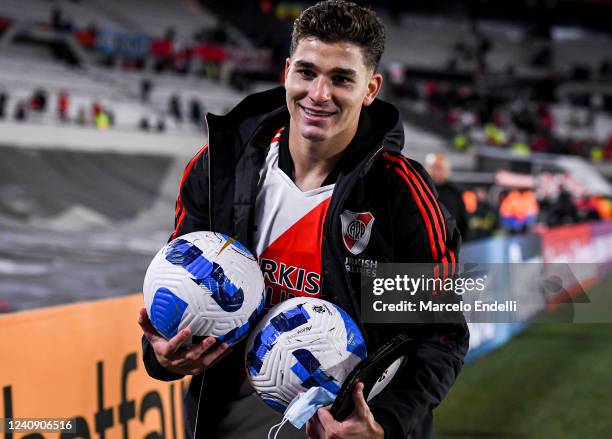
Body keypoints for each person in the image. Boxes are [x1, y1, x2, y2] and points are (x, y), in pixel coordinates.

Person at [138, 2, 468, 438]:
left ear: (371, 88)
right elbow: (182, 284)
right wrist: (159, 355)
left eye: (341, 79)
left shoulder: (399, 193)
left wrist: (385, 424)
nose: (319, 93)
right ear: (287, 71)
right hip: (228, 426)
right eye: (308, 72)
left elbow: (440, 337)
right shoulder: (220, 167)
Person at [426, 153, 468, 240]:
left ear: (447, 170)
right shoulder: (422, 189)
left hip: (451, 242)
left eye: (440, 168)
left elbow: (463, 221)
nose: (436, 172)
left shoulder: (455, 192)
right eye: (434, 168)